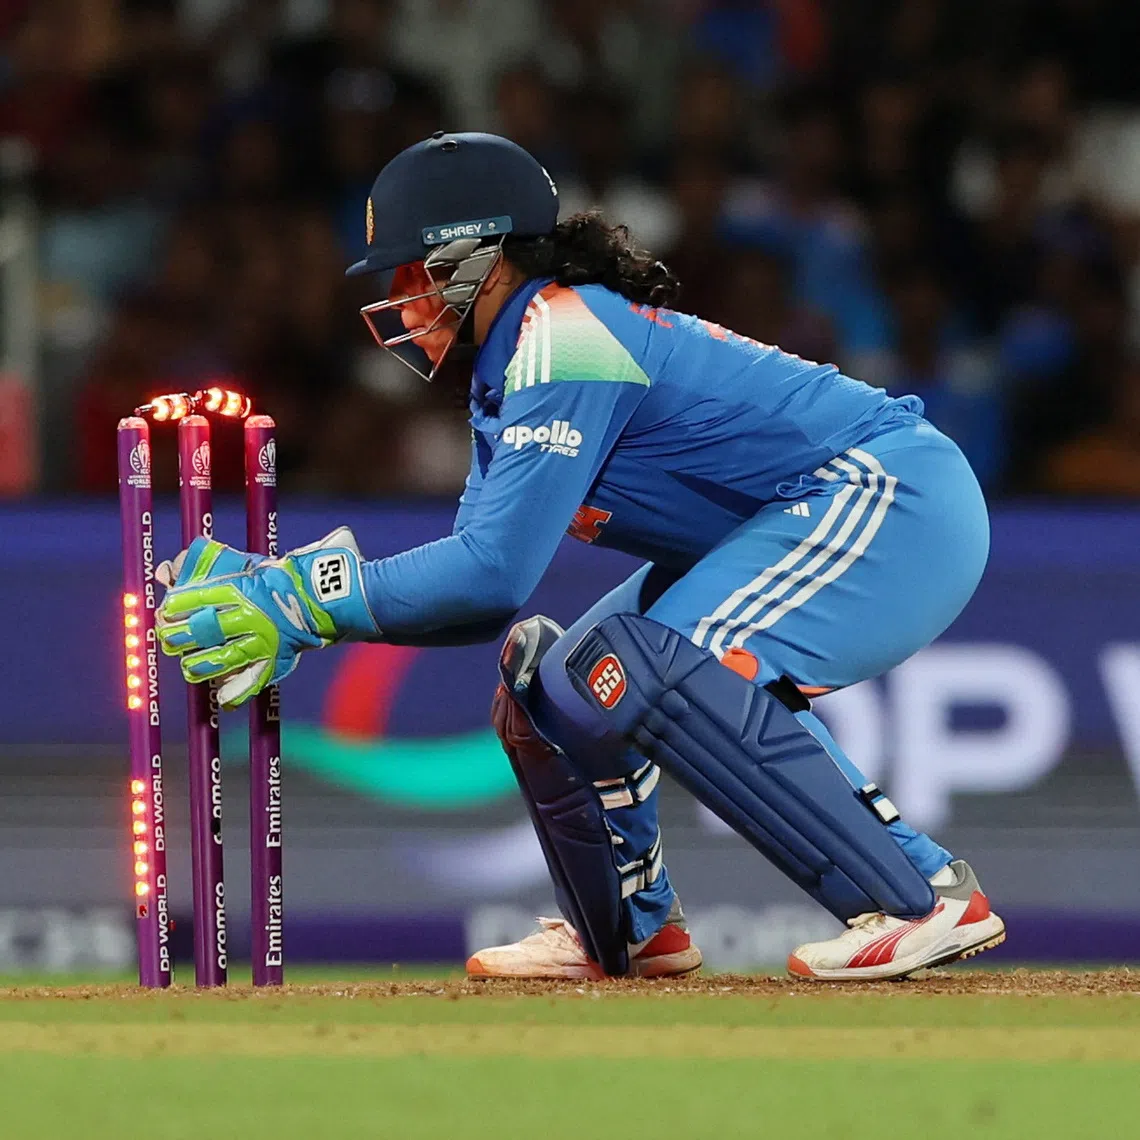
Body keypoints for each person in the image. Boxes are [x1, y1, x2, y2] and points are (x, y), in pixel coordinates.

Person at [156, 132, 1006, 982]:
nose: (399, 297)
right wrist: (291, 596)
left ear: (481, 258)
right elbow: (477, 592)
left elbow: (493, 572)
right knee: (557, 693)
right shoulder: (511, 369)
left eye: (413, 270)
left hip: (891, 497)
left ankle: (924, 894)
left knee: (658, 667)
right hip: (788, 518)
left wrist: (300, 598)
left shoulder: (565, 332)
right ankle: (631, 930)